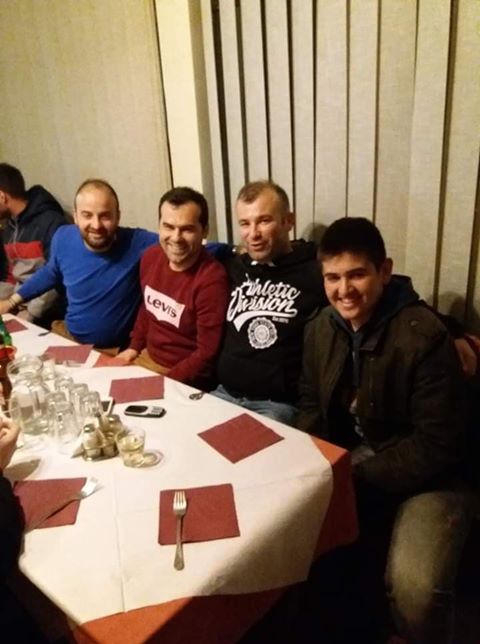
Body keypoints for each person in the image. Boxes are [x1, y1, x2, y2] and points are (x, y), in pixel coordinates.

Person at [298, 217, 471, 643]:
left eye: (357, 274)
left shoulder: (423, 336)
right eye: (333, 277)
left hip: (436, 475)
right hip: (361, 458)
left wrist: (352, 480)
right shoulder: (320, 328)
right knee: (300, 540)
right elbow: (310, 404)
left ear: (385, 271)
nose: (344, 289)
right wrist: (316, 466)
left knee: (416, 592)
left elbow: (438, 445)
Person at [212, 180, 327, 425]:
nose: (253, 234)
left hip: (276, 405)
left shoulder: (316, 273)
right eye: (245, 223)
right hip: (222, 394)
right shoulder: (234, 268)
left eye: (264, 221)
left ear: (289, 221)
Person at [0, 179, 158, 349]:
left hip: (114, 349)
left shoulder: (138, 242)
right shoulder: (63, 236)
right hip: (68, 336)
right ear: (75, 216)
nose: (96, 225)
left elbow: (171, 240)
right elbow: (51, 272)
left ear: (117, 216)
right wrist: (11, 302)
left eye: (105, 216)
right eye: (87, 215)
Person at [116, 187, 229, 388]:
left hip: (184, 377)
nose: (176, 238)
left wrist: (164, 383)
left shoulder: (212, 279)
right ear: (159, 226)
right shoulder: (150, 257)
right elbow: (147, 309)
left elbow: (206, 354)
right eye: (168, 227)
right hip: (146, 360)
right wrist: (133, 348)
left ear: (204, 230)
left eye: (187, 229)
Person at [0, 163, 67, 326]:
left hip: (46, 311)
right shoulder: (9, 229)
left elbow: (57, 278)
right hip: (19, 302)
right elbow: (12, 276)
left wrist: (28, 316)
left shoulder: (51, 222)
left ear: (2, 196)